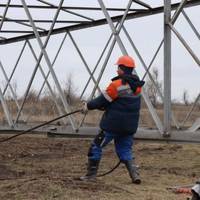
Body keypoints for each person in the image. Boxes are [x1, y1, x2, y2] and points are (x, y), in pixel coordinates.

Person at [80, 55, 145, 184]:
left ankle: (90, 176)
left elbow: (101, 101)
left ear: (122, 68)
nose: (117, 70)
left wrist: (87, 106)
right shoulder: (137, 87)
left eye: (118, 67)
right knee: (125, 149)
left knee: (96, 146)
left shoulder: (116, 85)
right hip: (129, 127)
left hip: (113, 126)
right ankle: (135, 175)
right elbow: (120, 103)